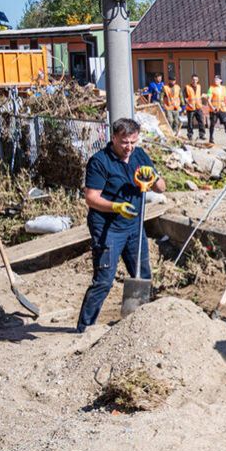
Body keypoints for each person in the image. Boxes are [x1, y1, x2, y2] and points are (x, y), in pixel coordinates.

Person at [75, 117, 166, 333]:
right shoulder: (100, 162)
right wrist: (116, 206)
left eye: (133, 142)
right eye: (125, 142)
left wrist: (153, 179)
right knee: (104, 280)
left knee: (142, 275)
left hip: (134, 226)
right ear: (114, 138)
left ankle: (138, 325)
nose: (129, 147)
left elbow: (161, 188)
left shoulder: (139, 155)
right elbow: (91, 198)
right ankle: (84, 329)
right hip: (108, 229)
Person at [207, 75, 226, 146]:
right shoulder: (211, 88)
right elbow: (209, 100)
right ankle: (211, 138)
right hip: (214, 110)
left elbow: (225, 99)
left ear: (220, 81)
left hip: (222, 108)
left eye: (217, 79)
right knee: (212, 124)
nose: (215, 81)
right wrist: (212, 108)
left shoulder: (224, 88)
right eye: (215, 79)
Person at [184, 75, 205, 141]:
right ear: (191, 80)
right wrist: (188, 104)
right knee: (190, 122)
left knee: (201, 121)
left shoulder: (199, 87)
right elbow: (185, 98)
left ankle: (202, 135)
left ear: (198, 80)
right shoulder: (187, 87)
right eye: (193, 79)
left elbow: (200, 95)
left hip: (198, 107)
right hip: (191, 108)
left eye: (196, 80)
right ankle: (190, 135)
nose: (194, 81)